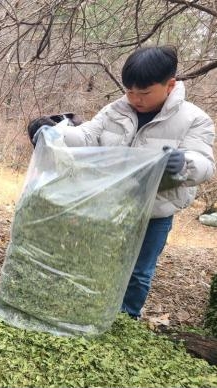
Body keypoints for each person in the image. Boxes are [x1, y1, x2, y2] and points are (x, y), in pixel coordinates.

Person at [28, 46, 215, 320]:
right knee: (99, 261)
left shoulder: (194, 119)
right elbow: (87, 136)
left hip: (154, 213)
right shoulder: (116, 110)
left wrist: (183, 163)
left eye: (144, 93)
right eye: (129, 91)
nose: (135, 99)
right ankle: (93, 310)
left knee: (139, 271)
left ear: (170, 85)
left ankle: (126, 319)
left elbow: (205, 164)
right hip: (111, 205)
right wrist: (54, 133)